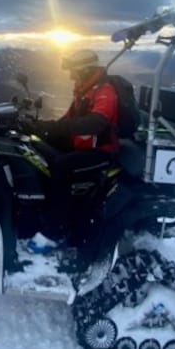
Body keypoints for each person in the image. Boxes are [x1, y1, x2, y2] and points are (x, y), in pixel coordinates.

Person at [27, 49, 120, 247]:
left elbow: (97, 122)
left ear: (86, 70)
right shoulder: (84, 89)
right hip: (83, 144)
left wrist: (55, 128)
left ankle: (54, 231)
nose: (71, 76)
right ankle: (40, 207)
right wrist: (41, 127)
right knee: (36, 146)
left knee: (61, 167)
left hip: (101, 151)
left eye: (75, 72)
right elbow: (68, 120)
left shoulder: (105, 91)